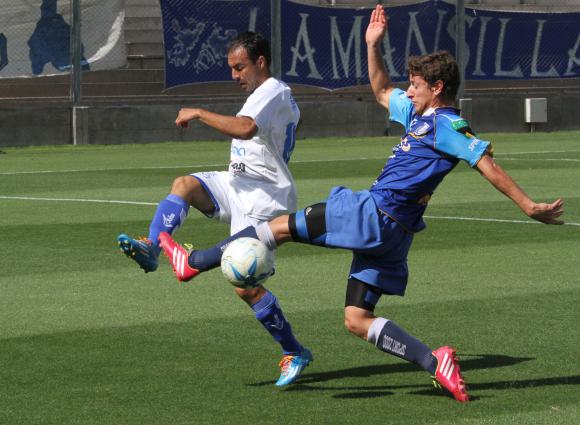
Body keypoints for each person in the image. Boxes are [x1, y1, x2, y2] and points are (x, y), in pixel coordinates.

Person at [158, 5, 564, 402]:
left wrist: (528, 205)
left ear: (437, 88)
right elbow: (382, 89)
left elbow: (486, 164)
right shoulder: (419, 117)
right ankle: (434, 361)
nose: (408, 91)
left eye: (415, 85)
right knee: (356, 320)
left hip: (372, 213)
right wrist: (373, 44)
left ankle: (193, 262)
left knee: (276, 228)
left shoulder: (447, 125)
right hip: (395, 235)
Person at [117, 32, 312, 387]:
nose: (234, 75)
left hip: (265, 198)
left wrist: (199, 113)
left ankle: (294, 351)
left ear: (261, 62)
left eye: (240, 67)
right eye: (232, 68)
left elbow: (245, 128)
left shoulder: (272, 90)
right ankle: (153, 248)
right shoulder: (273, 95)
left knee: (245, 285)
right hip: (238, 183)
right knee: (185, 185)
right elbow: (289, 124)